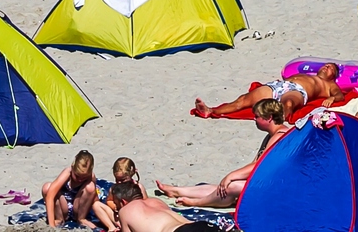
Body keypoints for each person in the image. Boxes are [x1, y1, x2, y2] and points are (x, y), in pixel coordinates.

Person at [158, 99, 293, 209]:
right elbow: (255, 164)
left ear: (269, 118)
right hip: (267, 182)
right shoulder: (272, 135)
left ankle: (196, 203)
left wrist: (231, 176)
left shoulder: (280, 137)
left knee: (230, 186)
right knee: (222, 187)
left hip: (275, 188)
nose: (254, 119)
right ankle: (177, 191)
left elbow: (260, 165)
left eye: (257, 116)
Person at [193, 63, 344, 119]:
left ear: (334, 75)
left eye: (331, 68)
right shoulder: (306, 74)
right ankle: (211, 110)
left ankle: (279, 124)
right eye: (326, 65)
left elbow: (339, 95)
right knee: (243, 100)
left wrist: (332, 99)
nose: (326, 67)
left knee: (289, 103)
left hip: (297, 91)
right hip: (279, 85)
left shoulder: (328, 84)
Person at [42, 149, 100, 230]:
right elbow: (50, 196)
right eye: (77, 176)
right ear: (73, 167)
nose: (80, 180)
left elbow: (94, 199)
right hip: (63, 207)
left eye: (84, 178)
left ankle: (81, 219)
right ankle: (59, 220)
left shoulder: (91, 177)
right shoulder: (67, 173)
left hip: (78, 209)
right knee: (47, 188)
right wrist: (51, 226)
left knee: (91, 187)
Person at [90, 157, 145, 232]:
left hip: (133, 217)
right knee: (96, 205)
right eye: (117, 179)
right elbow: (109, 200)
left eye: (123, 180)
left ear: (132, 174)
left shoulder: (137, 186)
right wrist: (115, 207)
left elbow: (145, 202)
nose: (119, 182)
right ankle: (111, 227)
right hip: (118, 218)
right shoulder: (114, 188)